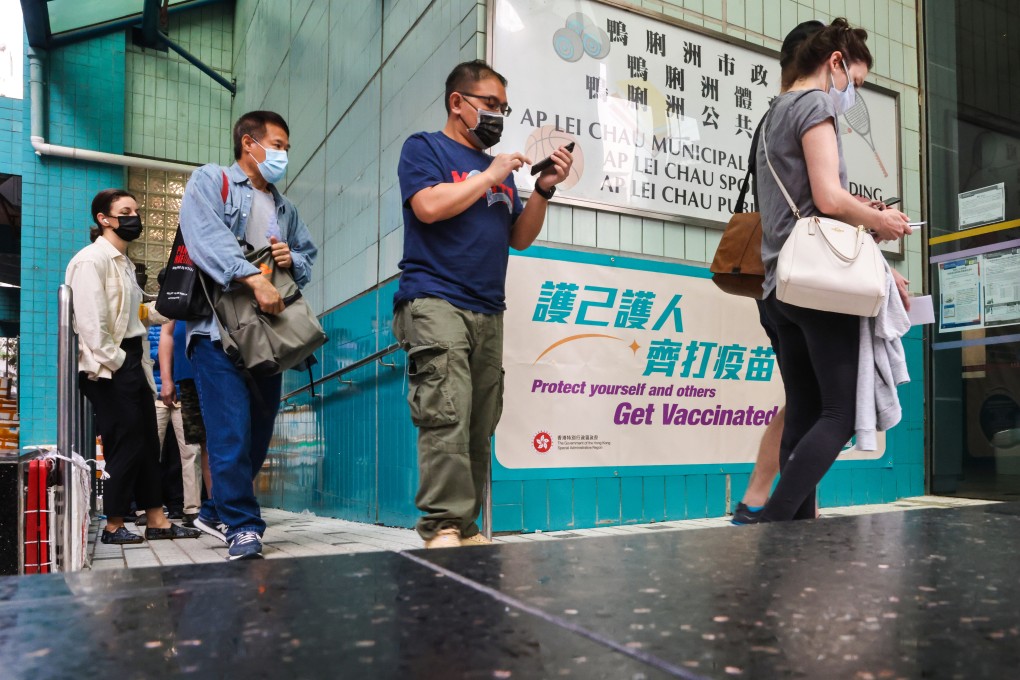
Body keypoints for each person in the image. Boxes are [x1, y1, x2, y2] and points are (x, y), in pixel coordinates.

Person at [393, 60, 574, 548]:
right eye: (489, 104)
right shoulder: (424, 148)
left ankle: (466, 527)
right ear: (458, 103)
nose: (497, 115)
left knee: (478, 421)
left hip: (488, 307)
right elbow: (428, 207)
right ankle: (442, 527)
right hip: (434, 298)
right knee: (445, 413)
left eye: (502, 107)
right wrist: (488, 174)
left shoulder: (499, 175)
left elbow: (521, 238)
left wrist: (541, 190)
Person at [751, 18, 911, 522]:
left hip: (778, 287)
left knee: (802, 410)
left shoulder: (773, 113)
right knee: (838, 415)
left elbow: (807, 202)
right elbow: (828, 197)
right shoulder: (816, 104)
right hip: (819, 290)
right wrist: (880, 220)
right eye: (856, 84)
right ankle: (777, 525)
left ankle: (797, 534)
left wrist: (866, 224)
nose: (852, 95)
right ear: (835, 62)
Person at [178, 110, 317, 560]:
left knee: (257, 435)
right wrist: (251, 277)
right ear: (248, 143)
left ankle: (216, 509)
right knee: (230, 431)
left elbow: (309, 259)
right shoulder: (211, 180)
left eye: (286, 149)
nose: (282, 155)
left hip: (267, 334)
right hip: (216, 332)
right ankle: (242, 526)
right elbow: (203, 238)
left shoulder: (285, 208)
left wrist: (290, 258)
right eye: (277, 145)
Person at [66, 188, 201, 544]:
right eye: (125, 211)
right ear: (103, 219)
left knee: (145, 445)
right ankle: (113, 525)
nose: (134, 217)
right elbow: (94, 326)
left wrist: (177, 301)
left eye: (136, 210)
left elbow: (138, 312)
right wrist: (120, 362)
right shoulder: (90, 261)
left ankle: (156, 519)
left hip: (131, 364)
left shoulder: (123, 264)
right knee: (125, 443)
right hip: (108, 367)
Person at [152, 318, 202, 525]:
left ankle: (193, 509)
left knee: (192, 452)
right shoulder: (145, 320)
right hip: (155, 392)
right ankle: (150, 509)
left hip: (184, 389)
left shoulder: (181, 310)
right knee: (151, 452)